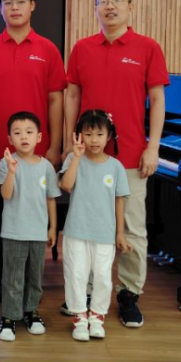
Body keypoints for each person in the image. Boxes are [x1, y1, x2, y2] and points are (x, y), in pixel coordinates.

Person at [63, 0, 169, 328]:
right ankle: (85, 293)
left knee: (132, 228)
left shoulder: (147, 47)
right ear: (95, 8)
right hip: (88, 156)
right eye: (103, 1)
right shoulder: (82, 48)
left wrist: (153, 147)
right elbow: (72, 96)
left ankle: (128, 294)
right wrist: (69, 144)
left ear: (130, 7)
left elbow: (157, 99)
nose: (110, 6)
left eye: (117, 0)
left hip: (130, 157)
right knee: (85, 225)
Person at [0, 0, 66, 300]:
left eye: (20, 1)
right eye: (7, 2)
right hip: (0, 152)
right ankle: (4, 273)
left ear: (32, 5)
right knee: (1, 217)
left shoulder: (48, 50)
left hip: (37, 156)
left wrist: (54, 145)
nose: (14, 7)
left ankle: (30, 276)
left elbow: (56, 100)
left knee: (34, 216)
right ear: (0, 8)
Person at [59, 110, 133, 342]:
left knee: (102, 276)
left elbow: (119, 200)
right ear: (79, 135)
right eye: (88, 134)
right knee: (76, 274)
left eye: (99, 134)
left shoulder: (116, 167)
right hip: (76, 230)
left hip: (104, 233)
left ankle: (97, 317)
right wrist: (76, 157)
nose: (93, 140)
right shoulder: (74, 159)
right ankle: (80, 318)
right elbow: (66, 185)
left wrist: (120, 232)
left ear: (109, 136)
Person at [0, 112, 60, 342]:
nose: (24, 137)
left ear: (39, 137)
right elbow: (5, 194)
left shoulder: (46, 167)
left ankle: (31, 311)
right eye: (17, 133)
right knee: (12, 277)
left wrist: (52, 228)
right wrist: (11, 172)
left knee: (34, 276)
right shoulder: (7, 162)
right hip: (13, 231)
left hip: (38, 233)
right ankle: (9, 317)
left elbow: (51, 199)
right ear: (10, 138)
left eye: (29, 132)